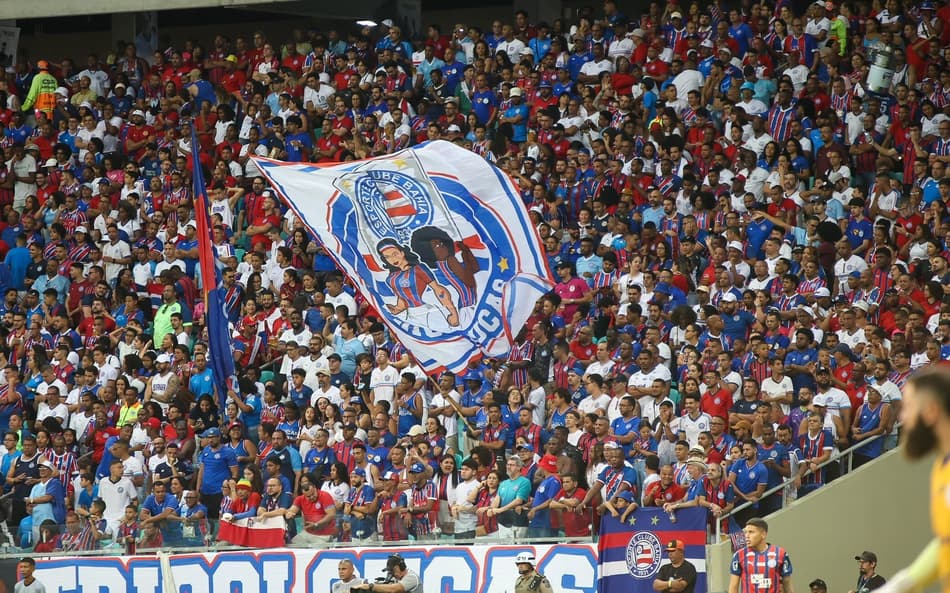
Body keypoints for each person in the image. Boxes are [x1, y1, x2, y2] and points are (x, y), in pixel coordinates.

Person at [729, 518, 794, 593]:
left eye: (751, 532)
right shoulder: (739, 555)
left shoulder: (780, 553)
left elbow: (787, 582)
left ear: (763, 534)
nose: (746, 536)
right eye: (745, 532)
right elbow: (733, 587)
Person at [351, 554, 422, 593]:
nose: (390, 574)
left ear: (397, 568)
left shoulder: (412, 577)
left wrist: (371, 586)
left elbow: (394, 589)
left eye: (391, 571)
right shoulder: (396, 578)